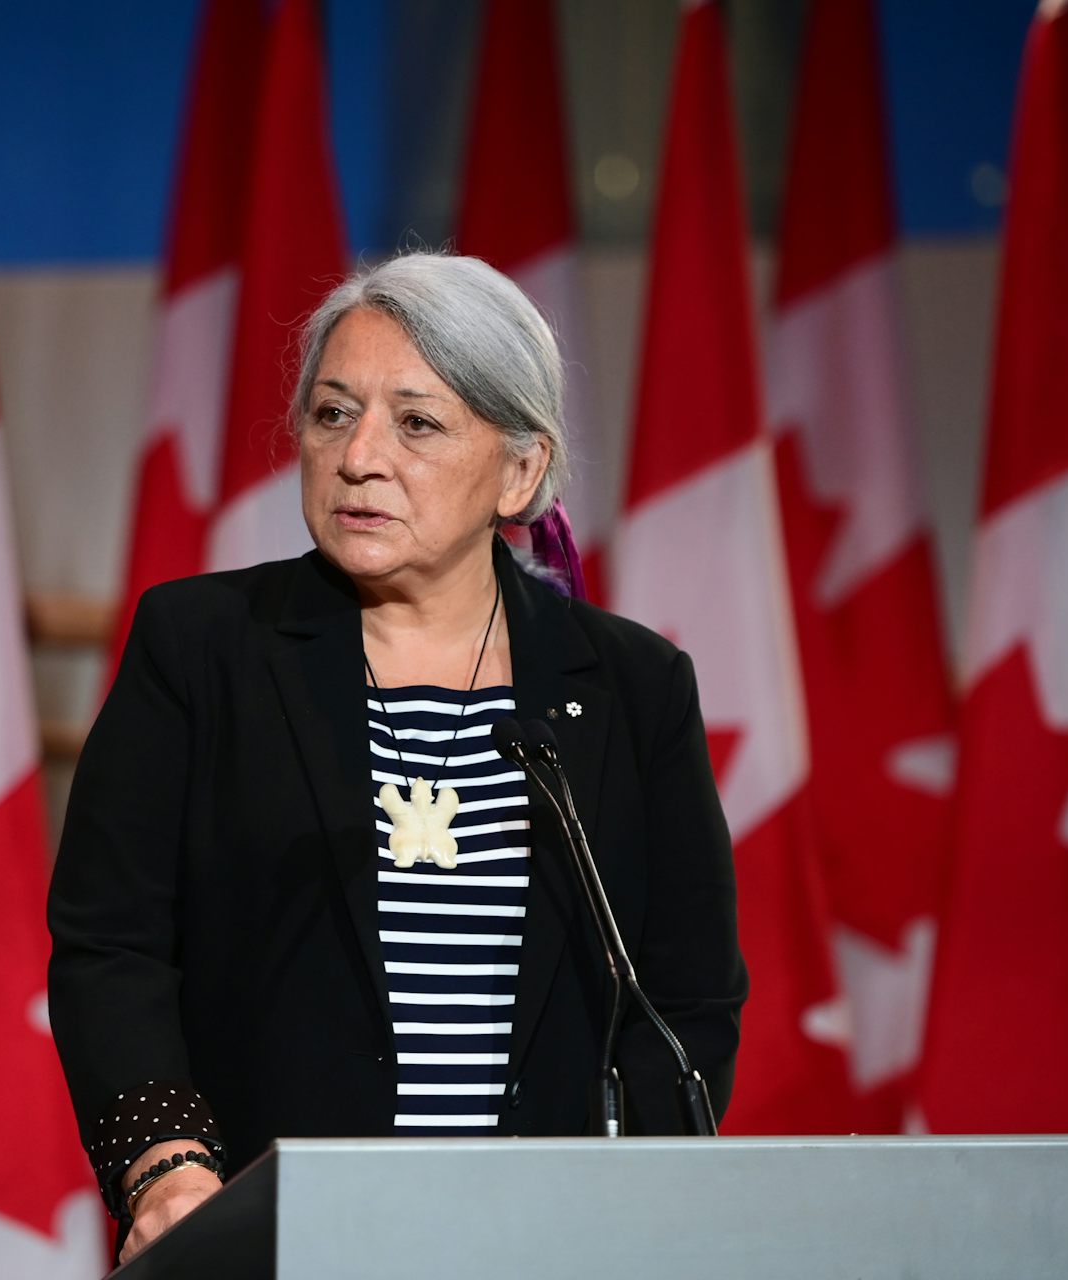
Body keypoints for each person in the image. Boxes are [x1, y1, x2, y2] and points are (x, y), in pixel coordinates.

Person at [48, 251, 746, 1264]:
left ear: (520, 468)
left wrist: (614, 1207)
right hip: (269, 1238)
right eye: (334, 413)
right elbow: (111, 944)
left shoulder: (631, 690)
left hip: (544, 1249)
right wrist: (165, 1164)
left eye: (417, 422)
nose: (359, 454)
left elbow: (685, 997)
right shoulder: (202, 648)